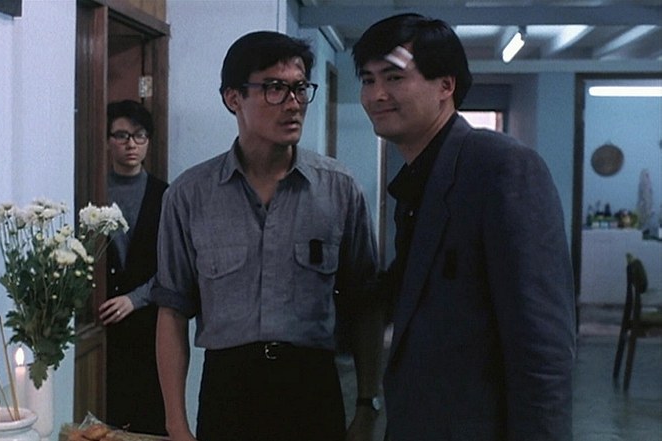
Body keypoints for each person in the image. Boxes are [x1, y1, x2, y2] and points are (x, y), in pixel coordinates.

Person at [352, 13, 576, 441]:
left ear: (445, 85)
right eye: (367, 80)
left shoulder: (501, 167)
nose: (377, 94)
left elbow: (542, 345)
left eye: (394, 77)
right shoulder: (418, 180)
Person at [152, 31, 383, 441]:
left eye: (299, 88)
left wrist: (367, 405)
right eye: (275, 88)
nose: (293, 103)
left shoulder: (339, 189)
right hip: (229, 389)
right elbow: (172, 310)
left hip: (312, 386)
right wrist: (175, 422)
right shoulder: (189, 195)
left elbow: (366, 304)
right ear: (233, 98)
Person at [97, 99, 168, 435]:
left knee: (149, 412)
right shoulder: (94, 190)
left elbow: (175, 265)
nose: (131, 144)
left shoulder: (165, 195)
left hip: (149, 320)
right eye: (122, 135)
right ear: (108, 140)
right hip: (102, 321)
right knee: (104, 414)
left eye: (139, 136)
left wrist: (135, 299)